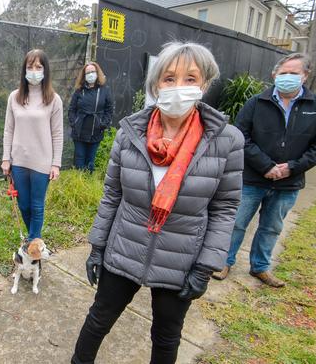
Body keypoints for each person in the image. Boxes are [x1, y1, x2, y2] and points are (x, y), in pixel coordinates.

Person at [71, 42, 244, 364]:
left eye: (190, 79)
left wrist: (206, 265)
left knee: (166, 337)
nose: (179, 87)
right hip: (124, 247)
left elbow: (224, 209)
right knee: (98, 321)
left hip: (181, 258)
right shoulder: (130, 134)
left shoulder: (226, 140)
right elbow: (112, 194)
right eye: (169, 78)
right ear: (155, 85)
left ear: (204, 84)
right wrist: (97, 246)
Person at [213, 53, 316, 287]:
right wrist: (265, 165)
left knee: (271, 227)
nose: (288, 77)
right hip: (252, 178)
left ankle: (260, 267)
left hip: (289, 181)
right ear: (274, 75)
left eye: (294, 73)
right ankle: (223, 261)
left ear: (305, 76)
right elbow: (240, 136)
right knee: (236, 222)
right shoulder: (257, 102)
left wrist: (293, 167)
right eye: (284, 73)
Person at [1, 49, 63, 241]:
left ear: (45, 70)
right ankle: (34, 243)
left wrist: (56, 163)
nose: (34, 71)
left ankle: (32, 243)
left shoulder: (53, 99)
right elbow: (8, 129)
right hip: (19, 161)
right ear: (24, 70)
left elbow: (58, 134)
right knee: (24, 206)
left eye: (38, 66)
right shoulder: (14, 97)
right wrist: (5, 158)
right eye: (30, 67)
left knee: (37, 206)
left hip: (42, 163)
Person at [68, 61, 114, 172]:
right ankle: (78, 185)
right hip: (79, 133)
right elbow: (71, 109)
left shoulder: (105, 91)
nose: (90, 74)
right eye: (88, 72)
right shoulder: (79, 91)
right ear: (84, 76)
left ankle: (88, 184)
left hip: (96, 132)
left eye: (93, 71)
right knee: (79, 162)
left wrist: (103, 124)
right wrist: (74, 123)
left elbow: (109, 110)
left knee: (90, 163)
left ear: (97, 73)